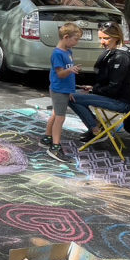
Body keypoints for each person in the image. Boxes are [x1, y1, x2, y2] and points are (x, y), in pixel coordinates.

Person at [70, 22, 130, 142]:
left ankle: (97, 130)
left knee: (70, 97)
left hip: (120, 101)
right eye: (100, 38)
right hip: (113, 96)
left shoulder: (121, 58)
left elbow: (114, 88)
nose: (102, 42)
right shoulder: (110, 52)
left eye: (106, 38)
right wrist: (92, 87)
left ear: (117, 38)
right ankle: (97, 126)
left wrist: (94, 90)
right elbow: (106, 80)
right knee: (72, 93)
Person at [45, 22, 83, 162]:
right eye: (75, 39)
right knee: (60, 118)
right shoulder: (57, 54)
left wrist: (70, 90)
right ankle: (55, 147)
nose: (76, 42)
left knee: (56, 114)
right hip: (59, 89)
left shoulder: (68, 51)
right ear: (66, 37)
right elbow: (60, 74)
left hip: (64, 90)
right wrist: (70, 70)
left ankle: (47, 138)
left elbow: (68, 75)